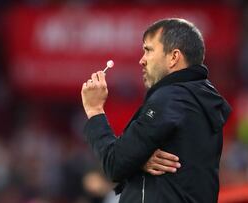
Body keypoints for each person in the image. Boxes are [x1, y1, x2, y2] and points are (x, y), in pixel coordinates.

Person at [81, 18, 231, 203]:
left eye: (148, 50)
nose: (141, 60)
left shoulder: (170, 98)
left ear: (174, 57)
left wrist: (94, 110)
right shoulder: (199, 98)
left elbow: (115, 164)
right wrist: (138, 161)